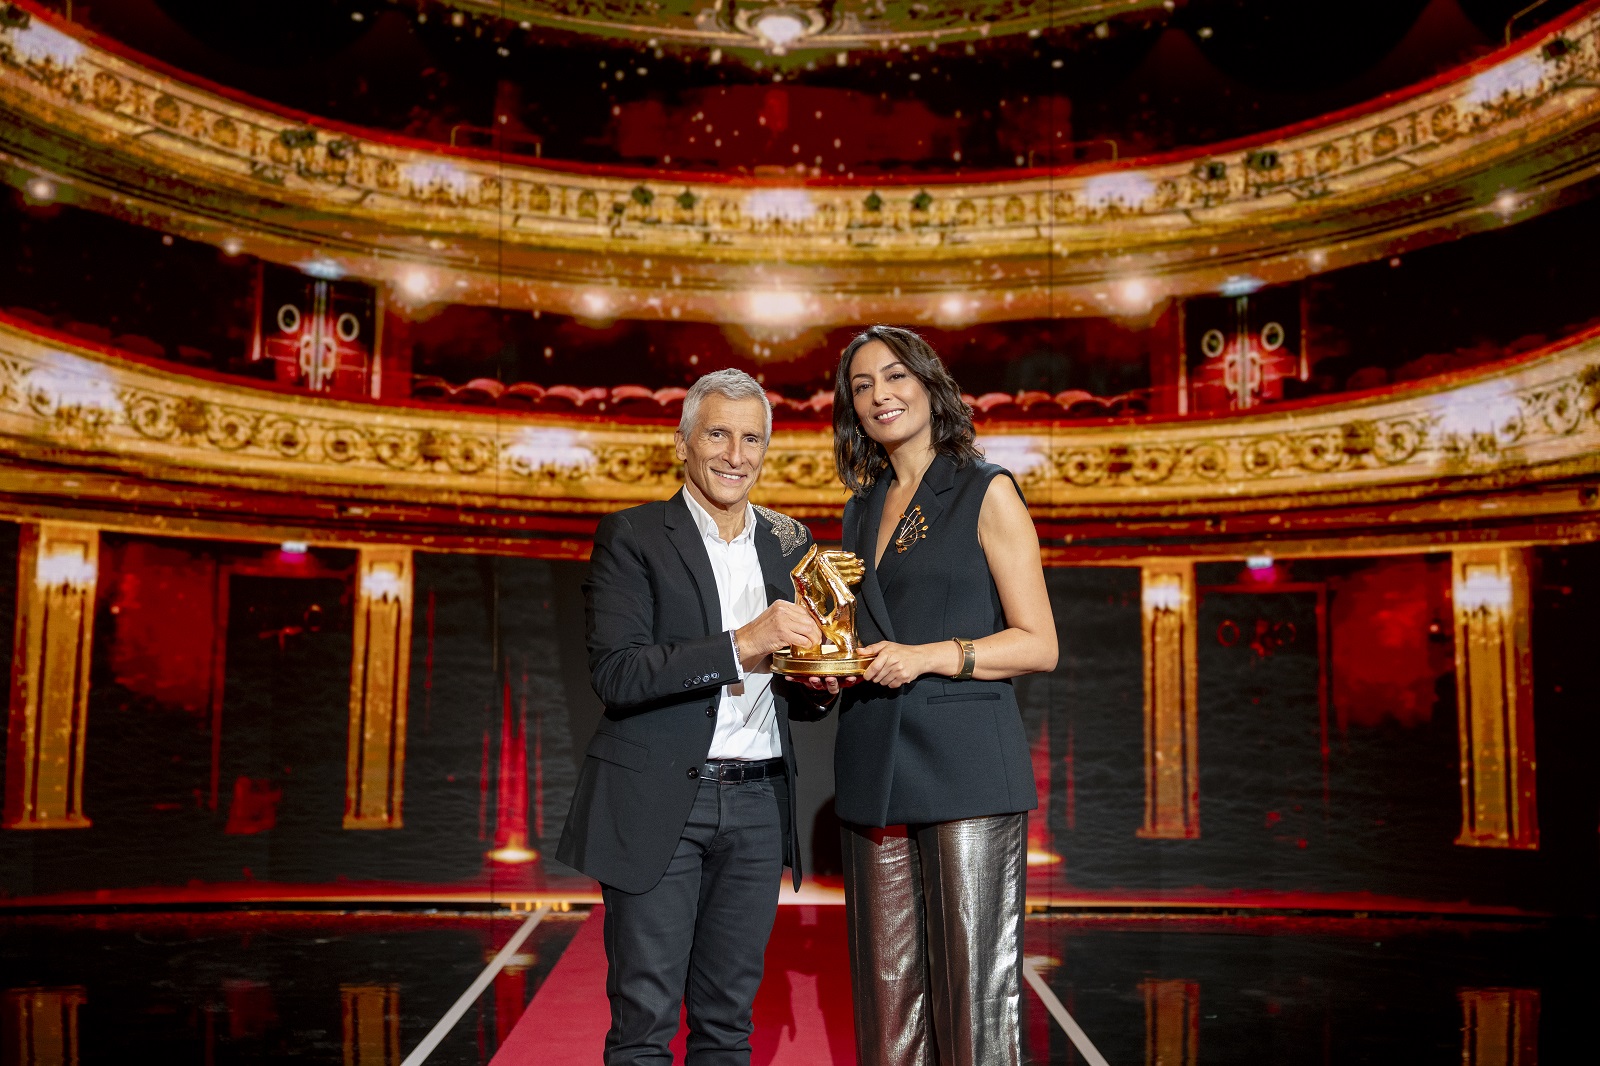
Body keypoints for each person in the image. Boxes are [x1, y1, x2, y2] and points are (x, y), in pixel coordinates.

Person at [556, 368, 832, 1066]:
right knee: (645, 1023)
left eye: (752, 439)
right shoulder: (633, 536)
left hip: (759, 804)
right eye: (718, 434)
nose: (736, 455)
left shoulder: (790, 545)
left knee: (728, 1022)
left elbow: (801, 686)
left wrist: (822, 683)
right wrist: (745, 644)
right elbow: (617, 673)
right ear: (682, 441)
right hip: (658, 804)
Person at [818, 325, 1058, 1066]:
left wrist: (929, 657)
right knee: (887, 1004)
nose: (880, 396)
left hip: (965, 770)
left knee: (975, 1001)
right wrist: (830, 665)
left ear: (929, 384)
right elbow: (872, 632)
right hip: (873, 768)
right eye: (861, 386)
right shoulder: (861, 509)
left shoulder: (986, 489)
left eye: (894, 377)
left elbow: (1038, 644)